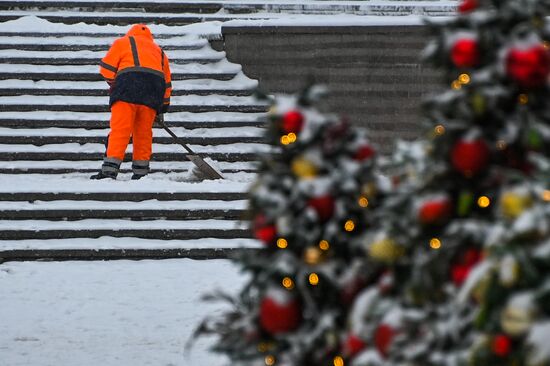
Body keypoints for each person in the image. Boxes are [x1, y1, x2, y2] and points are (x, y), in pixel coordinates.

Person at [91, 24, 172, 180]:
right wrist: (162, 107)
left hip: (127, 88)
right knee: (143, 133)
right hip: (153, 91)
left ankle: (109, 170)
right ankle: (141, 173)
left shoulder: (123, 42)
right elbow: (167, 83)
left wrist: (116, 84)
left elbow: (106, 69)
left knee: (120, 130)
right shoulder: (160, 52)